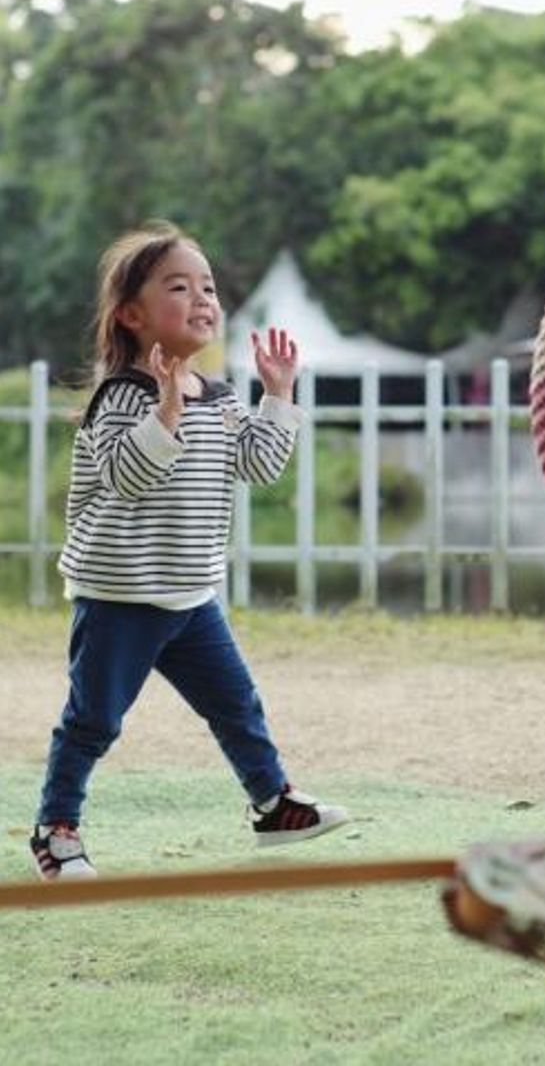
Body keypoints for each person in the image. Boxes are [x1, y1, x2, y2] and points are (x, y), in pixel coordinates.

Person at [30, 220, 347, 881]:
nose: (203, 298)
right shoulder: (124, 395)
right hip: (120, 595)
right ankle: (56, 832)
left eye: (208, 286)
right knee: (93, 720)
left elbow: (257, 465)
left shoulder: (221, 397)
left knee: (236, 704)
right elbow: (126, 475)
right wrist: (165, 412)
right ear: (132, 315)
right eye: (179, 286)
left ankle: (273, 804)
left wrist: (278, 395)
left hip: (191, 595)